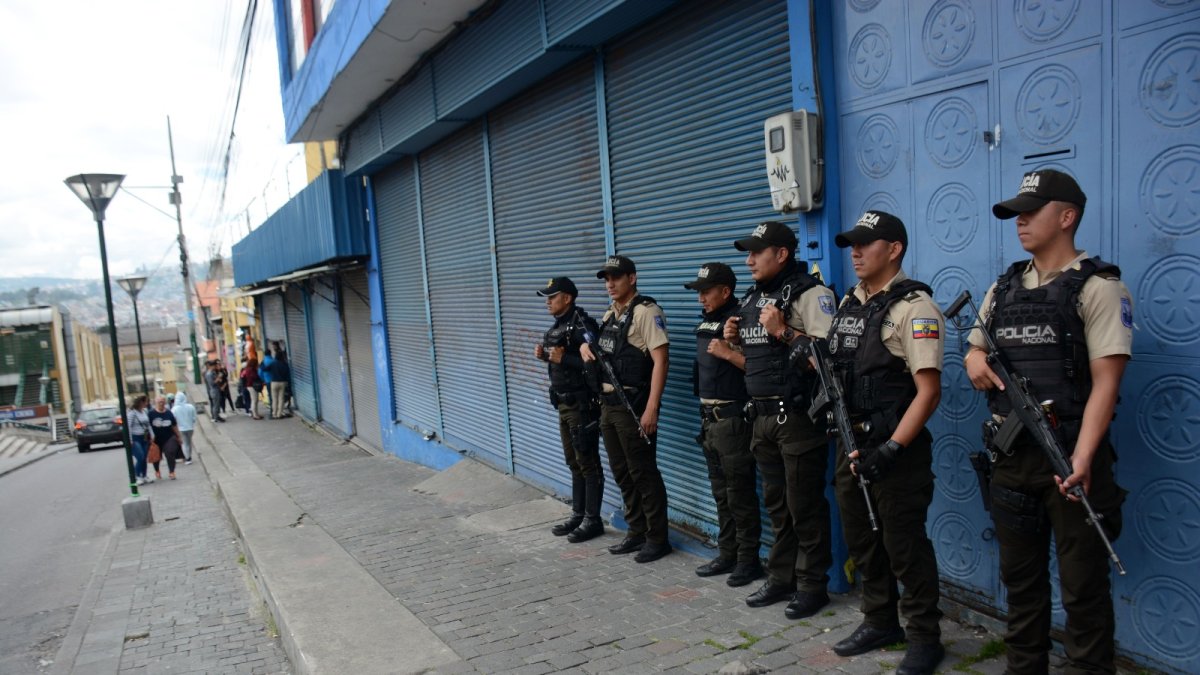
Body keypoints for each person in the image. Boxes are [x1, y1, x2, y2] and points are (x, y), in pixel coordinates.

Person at [965, 169, 1130, 673]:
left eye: (1031, 212)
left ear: (1066, 216)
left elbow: (1107, 382)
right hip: (1011, 460)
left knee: (1084, 588)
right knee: (1021, 583)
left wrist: (1082, 459)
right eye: (1017, 213)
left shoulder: (1099, 287)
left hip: (1072, 461)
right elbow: (974, 347)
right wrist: (974, 358)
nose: (1020, 221)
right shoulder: (1003, 288)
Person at [826, 211, 945, 673]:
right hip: (851, 443)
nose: (855, 252)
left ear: (894, 249)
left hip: (896, 450)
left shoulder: (915, 307)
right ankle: (880, 620)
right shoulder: (850, 303)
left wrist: (893, 449)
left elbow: (928, 391)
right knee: (862, 539)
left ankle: (925, 637)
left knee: (904, 546)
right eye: (851, 245)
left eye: (865, 244)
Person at [723, 221, 836, 620]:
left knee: (804, 506)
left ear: (782, 253)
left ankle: (812, 586)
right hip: (762, 418)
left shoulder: (812, 294)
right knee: (777, 506)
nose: (749, 260)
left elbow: (828, 358)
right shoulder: (753, 297)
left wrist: (784, 331)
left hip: (798, 419)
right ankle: (781, 577)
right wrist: (735, 336)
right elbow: (757, 354)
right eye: (748, 253)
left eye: (757, 252)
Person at [580, 255, 672, 563]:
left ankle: (657, 539)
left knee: (643, 473)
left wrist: (652, 407)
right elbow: (606, 352)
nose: (610, 284)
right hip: (609, 406)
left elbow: (661, 360)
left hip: (633, 405)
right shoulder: (611, 314)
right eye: (606, 279)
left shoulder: (646, 312)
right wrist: (586, 348)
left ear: (632, 278)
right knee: (622, 472)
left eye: (616, 277)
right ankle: (637, 531)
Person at [684, 262, 764, 587]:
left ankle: (748, 561)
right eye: (699, 292)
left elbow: (759, 368)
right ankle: (728, 553)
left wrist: (729, 352)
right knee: (721, 494)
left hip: (733, 420)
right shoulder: (708, 321)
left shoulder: (740, 320)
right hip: (709, 421)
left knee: (739, 494)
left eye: (706, 292)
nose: (701, 298)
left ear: (726, 291)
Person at [535, 277, 605, 543]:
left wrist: (564, 358)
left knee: (588, 461)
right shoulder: (558, 326)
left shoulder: (582, 325)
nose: (548, 302)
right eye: (547, 297)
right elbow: (562, 363)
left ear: (568, 298)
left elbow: (597, 363)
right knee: (574, 461)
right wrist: (546, 356)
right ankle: (579, 514)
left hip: (581, 405)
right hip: (563, 404)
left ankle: (593, 519)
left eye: (552, 297)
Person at [148, 395, 184, 480]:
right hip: (156, 439)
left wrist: (178, 436)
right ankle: (157, 470)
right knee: (156, 456)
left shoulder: (168, 413)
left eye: (163, 401)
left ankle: (172, 472)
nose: (161, 403)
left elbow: (174, 425)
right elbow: (148, 426)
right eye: (159, 402)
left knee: (170, 452)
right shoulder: (151, 414)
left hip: (169, 437)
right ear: (156, 403)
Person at [127, 394, 152, 485]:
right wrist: (130, 440)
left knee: (144, 457)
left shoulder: (144, 411)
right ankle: (137, 475)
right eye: (145, 401)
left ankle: (144, 475)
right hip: (135, 437)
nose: (147, 403)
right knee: (140, 457)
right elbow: (128, 427)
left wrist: (152, 435)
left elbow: (148, 424)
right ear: (141, 402)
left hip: (144, 437)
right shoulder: (132, 413)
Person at [172, 392, 197, 464]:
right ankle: (189, 455)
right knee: (189, 442)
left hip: (181, 428)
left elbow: (173, 420)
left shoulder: (174, 409)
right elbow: (194, 418)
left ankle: (187, 458)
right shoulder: (190, 407)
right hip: (190, 427)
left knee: (184, 443)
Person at [269, 344, 292, 419]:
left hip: (274, 382)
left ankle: (274, 414)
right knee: (281, 398)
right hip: (282, 382)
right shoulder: (285, 364)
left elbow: (265, 369)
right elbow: (288, 374)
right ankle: (279, 414)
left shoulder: (272, 363)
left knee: (274, 399)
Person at [260, 348, 275, 416]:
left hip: (267, 381)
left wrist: (263, 379)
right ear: (270, 353)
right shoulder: (273, 361)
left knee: (270, 395)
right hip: (275, 380)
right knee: (276, 395)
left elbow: (260, 372)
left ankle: (272, 409)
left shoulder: (263, 362)